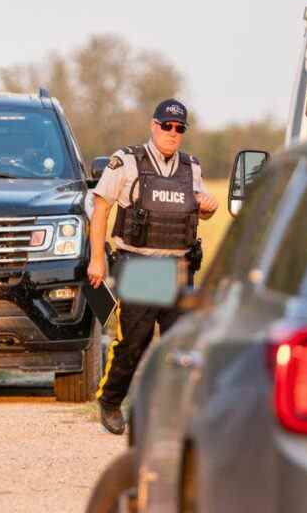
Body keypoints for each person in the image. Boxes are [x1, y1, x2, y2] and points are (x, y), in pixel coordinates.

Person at [87, 98, 218, 435]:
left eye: (179, 128)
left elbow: (200, 210)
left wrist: (209, 207)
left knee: (181, 346)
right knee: (136, 341)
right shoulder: (128, 162)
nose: (172, 133)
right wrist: (97, 259)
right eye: (166, 126)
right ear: (153, 125)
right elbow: (100, 207)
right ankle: (111, 400)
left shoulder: (192, 167)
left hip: (179, 266)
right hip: (142, 266)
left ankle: (172, 414)